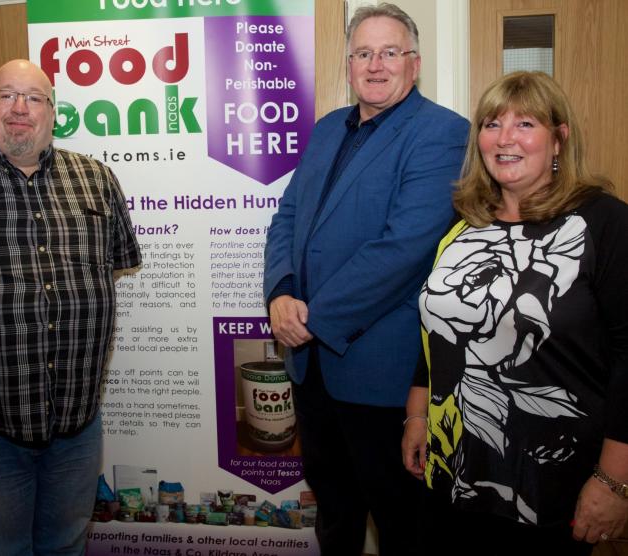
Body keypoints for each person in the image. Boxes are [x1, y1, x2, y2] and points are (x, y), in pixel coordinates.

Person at [262, 4, 469, 555]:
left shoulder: (443, 133)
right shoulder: (327, 129)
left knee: (401, 523)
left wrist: (313, 318)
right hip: (310, 370)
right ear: (349, 64)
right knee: (335, 516)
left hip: (381, 371)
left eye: (389, 52)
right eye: (363, 53)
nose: (375, 65)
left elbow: (404, 249)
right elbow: (287, 217)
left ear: (415, 63)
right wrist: (280, 292)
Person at [401, 71, 628, 555]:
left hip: (551, 476)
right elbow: (438, 330)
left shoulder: (603, 223)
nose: (505, 138)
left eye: (525, 123)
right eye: (492, 123)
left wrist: (614, 482)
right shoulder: (463, 223)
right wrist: (417, 416)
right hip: (453, 464)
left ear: (559, 139)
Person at [0, 59, 142, 556]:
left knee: (67, 543)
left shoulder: (96, 178)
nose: (20, 108)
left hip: (77, 423)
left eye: (33, 97)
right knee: (3, 547)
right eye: (6, 95)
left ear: (53, 112)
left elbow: (117, 262)